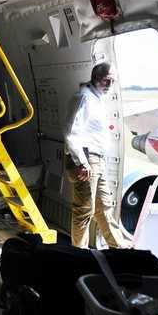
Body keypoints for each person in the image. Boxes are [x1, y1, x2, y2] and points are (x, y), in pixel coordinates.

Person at [64, 62, 128, 249]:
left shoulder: (97, 98)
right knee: (84, 210)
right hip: (85, 158)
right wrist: (82, 163)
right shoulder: (83, 98)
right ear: (96, 78)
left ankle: (118, 248)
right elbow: (70, 132)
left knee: (104, 207)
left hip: (97, 159)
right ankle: (79, 254)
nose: (109, 85)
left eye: (112, 81)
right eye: (106, 80)